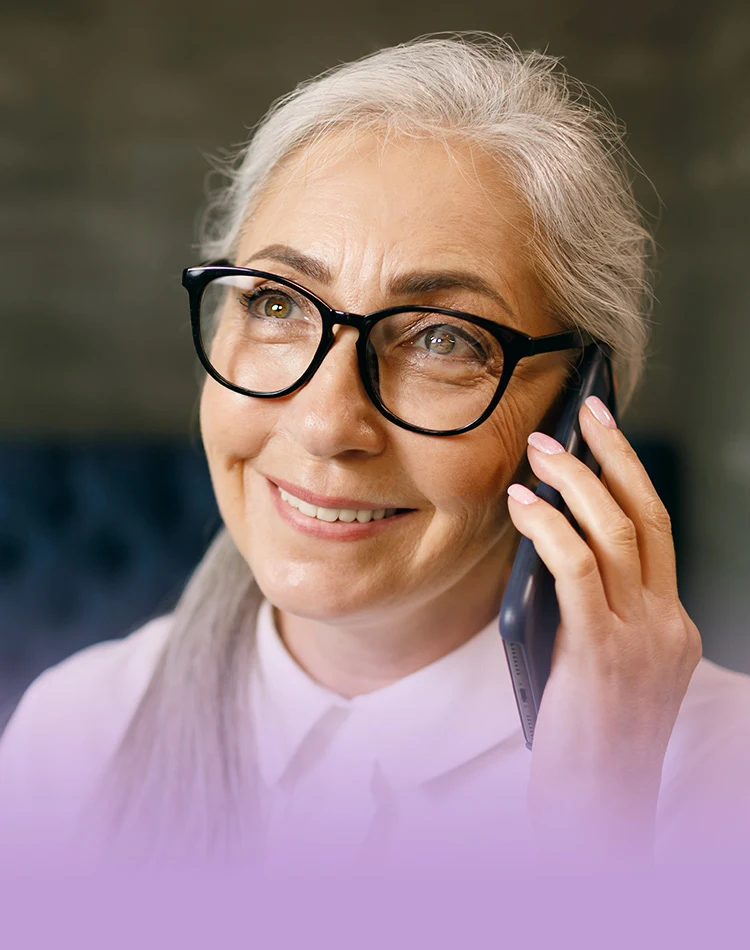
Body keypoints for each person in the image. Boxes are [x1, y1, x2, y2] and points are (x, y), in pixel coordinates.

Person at [1, 33, 749, 881]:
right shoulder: (73, 737)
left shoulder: (716, 779)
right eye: (276, 301)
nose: (326, 426)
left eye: (441, 338)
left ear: (583, 404)